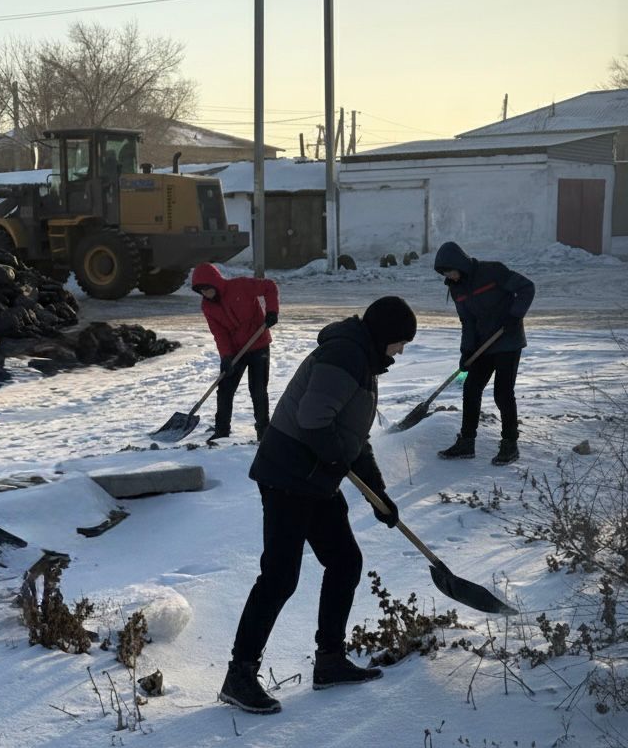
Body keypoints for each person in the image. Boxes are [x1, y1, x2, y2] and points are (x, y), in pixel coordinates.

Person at [218, 296, 418, 714]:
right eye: (400, 342)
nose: (401, 351)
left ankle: (329, 660)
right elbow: (313, 420)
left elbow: (354, 439)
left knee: (345, 561)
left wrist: (379, 496)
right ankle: (239, 675)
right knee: (279, 577)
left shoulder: (362, 362)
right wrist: (339, 461)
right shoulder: (345, 355)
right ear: (384, 335)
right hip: (287, 476)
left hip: (316, 481)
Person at [433, 241, 535, 466]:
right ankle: (467, 442)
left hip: (507, 340)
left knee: (503, 393)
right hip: (483, 345)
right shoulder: (455, 287)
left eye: (449, 270)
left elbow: (527, 288)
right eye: (444, 273)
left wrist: (514, 316)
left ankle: (510, 444)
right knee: (470, 389)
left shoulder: (493, 271)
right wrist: (467, 350)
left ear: (459, 263)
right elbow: (467, 320)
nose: (449, 276)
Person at [190, 263, 279, 441]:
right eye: (202, 291)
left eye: (207, 289)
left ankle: (263, 430)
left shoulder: (240, 286)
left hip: (258, 343)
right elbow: (219, 333)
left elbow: (269, 286)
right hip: (236, 350)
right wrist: (226, 357)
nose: (206, 294)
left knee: (258, 389)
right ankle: (222, 431)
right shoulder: (208, 307)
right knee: (224, 388)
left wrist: (271, 311)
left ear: (215, 283)